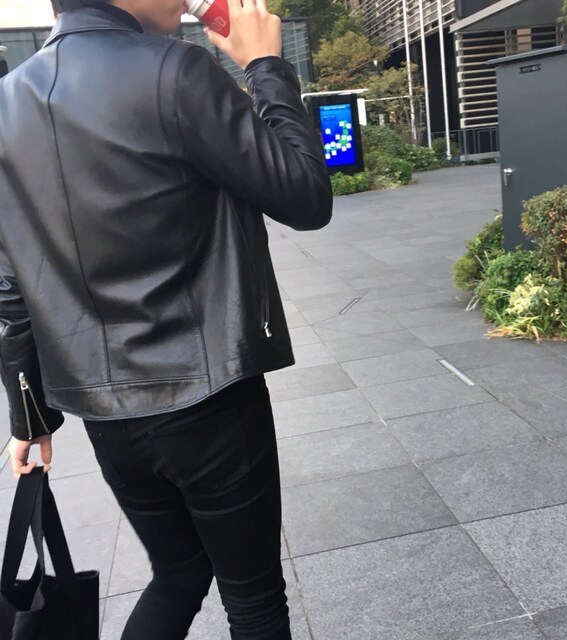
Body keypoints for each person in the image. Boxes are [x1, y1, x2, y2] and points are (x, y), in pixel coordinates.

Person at [0, 0, 332, 637]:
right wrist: (265, 66)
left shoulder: (7, 102)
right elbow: (305, 195)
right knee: (254, 600)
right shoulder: (175, 72)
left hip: (106, 414)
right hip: (207, 397)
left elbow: (11, 286)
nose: (185, 1)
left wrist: (29, 417)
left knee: (178, 575)